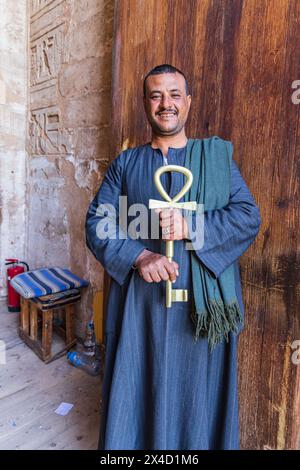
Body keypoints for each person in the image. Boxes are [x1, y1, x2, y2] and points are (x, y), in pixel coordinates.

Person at [85, 64, 261, 450]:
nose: (166, 104)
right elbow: (98, 221)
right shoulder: (126, 164)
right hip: (140, 306)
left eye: (174, 94)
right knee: (137, 392)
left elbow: (248, 217)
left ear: (188, 102)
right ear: (146, 104)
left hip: (201, 308)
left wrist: (190, 226)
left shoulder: (215, 160)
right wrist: (138, 255)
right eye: (156, 95)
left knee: (196, 404)